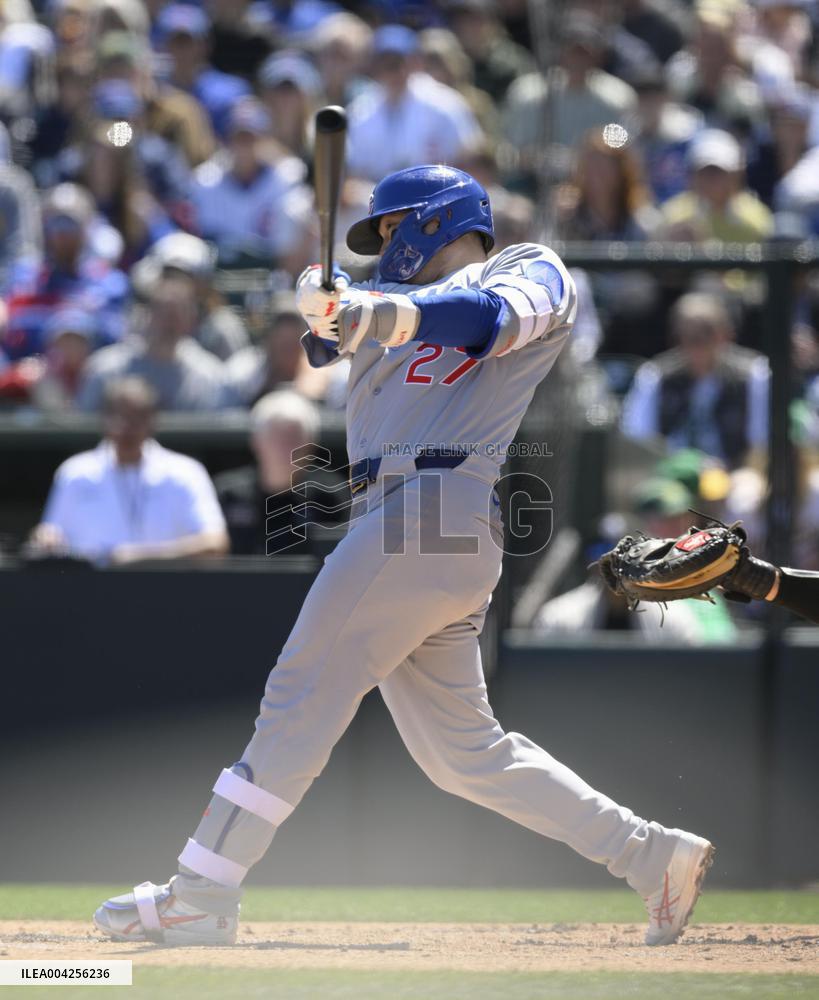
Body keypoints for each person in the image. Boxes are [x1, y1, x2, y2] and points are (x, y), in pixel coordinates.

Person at [93, 164, 714, 950]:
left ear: (433, 220)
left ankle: (201, 890)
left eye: (390, 230)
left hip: (434, 506)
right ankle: (650, 855)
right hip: (410, 524)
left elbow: (482, 319)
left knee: (299, 693)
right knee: (464, 756)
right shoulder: (390, 310)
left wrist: (365, 308)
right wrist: (321, 304)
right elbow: (326, 344)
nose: (383, 249)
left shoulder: (524, 268)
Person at [30, 376, 228, 565]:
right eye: (118, 415)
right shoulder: (74, 472)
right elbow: (50, 533)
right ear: (104, 418)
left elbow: (215, 543)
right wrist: (46, 538)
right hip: (89, 593)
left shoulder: (186, 472)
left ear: (152, 420)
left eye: (137, 417)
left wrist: (139, 556)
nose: (126, 427)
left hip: (166, 592)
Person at [622, 292, 769, 468]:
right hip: (669, 475)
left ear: (726, 333)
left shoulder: (754, 373)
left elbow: (761, 445)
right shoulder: (655, 374)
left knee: (745, 495)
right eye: (688, 335)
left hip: (735, 474)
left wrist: (749, 475)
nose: (697, 342)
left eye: (706, 332)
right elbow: (638, 438)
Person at [215, 389, 348, 556]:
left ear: (311, 445)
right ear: (256, 442)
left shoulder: (330, 497)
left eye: (294, 437)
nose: (286, 449)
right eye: (277, 438)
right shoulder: (227, 495)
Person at [188, 98, 314, 272]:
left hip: (271, 275)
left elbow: (292, 247)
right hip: (220, 275)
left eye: (251, 139)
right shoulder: (205, 182)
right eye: (238, 139)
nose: (245, 147)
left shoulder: (288, 178)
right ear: (226, 141)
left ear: (265, 140)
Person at [77, 271, 233, 411]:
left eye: (179, 312)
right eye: (162, 310)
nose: (169, 322)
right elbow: (85, 429)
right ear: (147, 314)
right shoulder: (107, 369)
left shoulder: (209, 376)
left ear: (192, 318)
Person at [345, 25, 483, 181]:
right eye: (385, 64)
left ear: (415, 62)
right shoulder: (360, 110)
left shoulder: (444, 103)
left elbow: (474, 162)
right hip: (376, 199)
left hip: (438, 195)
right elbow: (352, 176)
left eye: (398, 63)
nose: (393, 72)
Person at [659, 128, 773, 242]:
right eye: (703, 172)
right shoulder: (672, 216)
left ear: (735, 175)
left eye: (717, 172)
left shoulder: (757, 221)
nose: (709, 180)